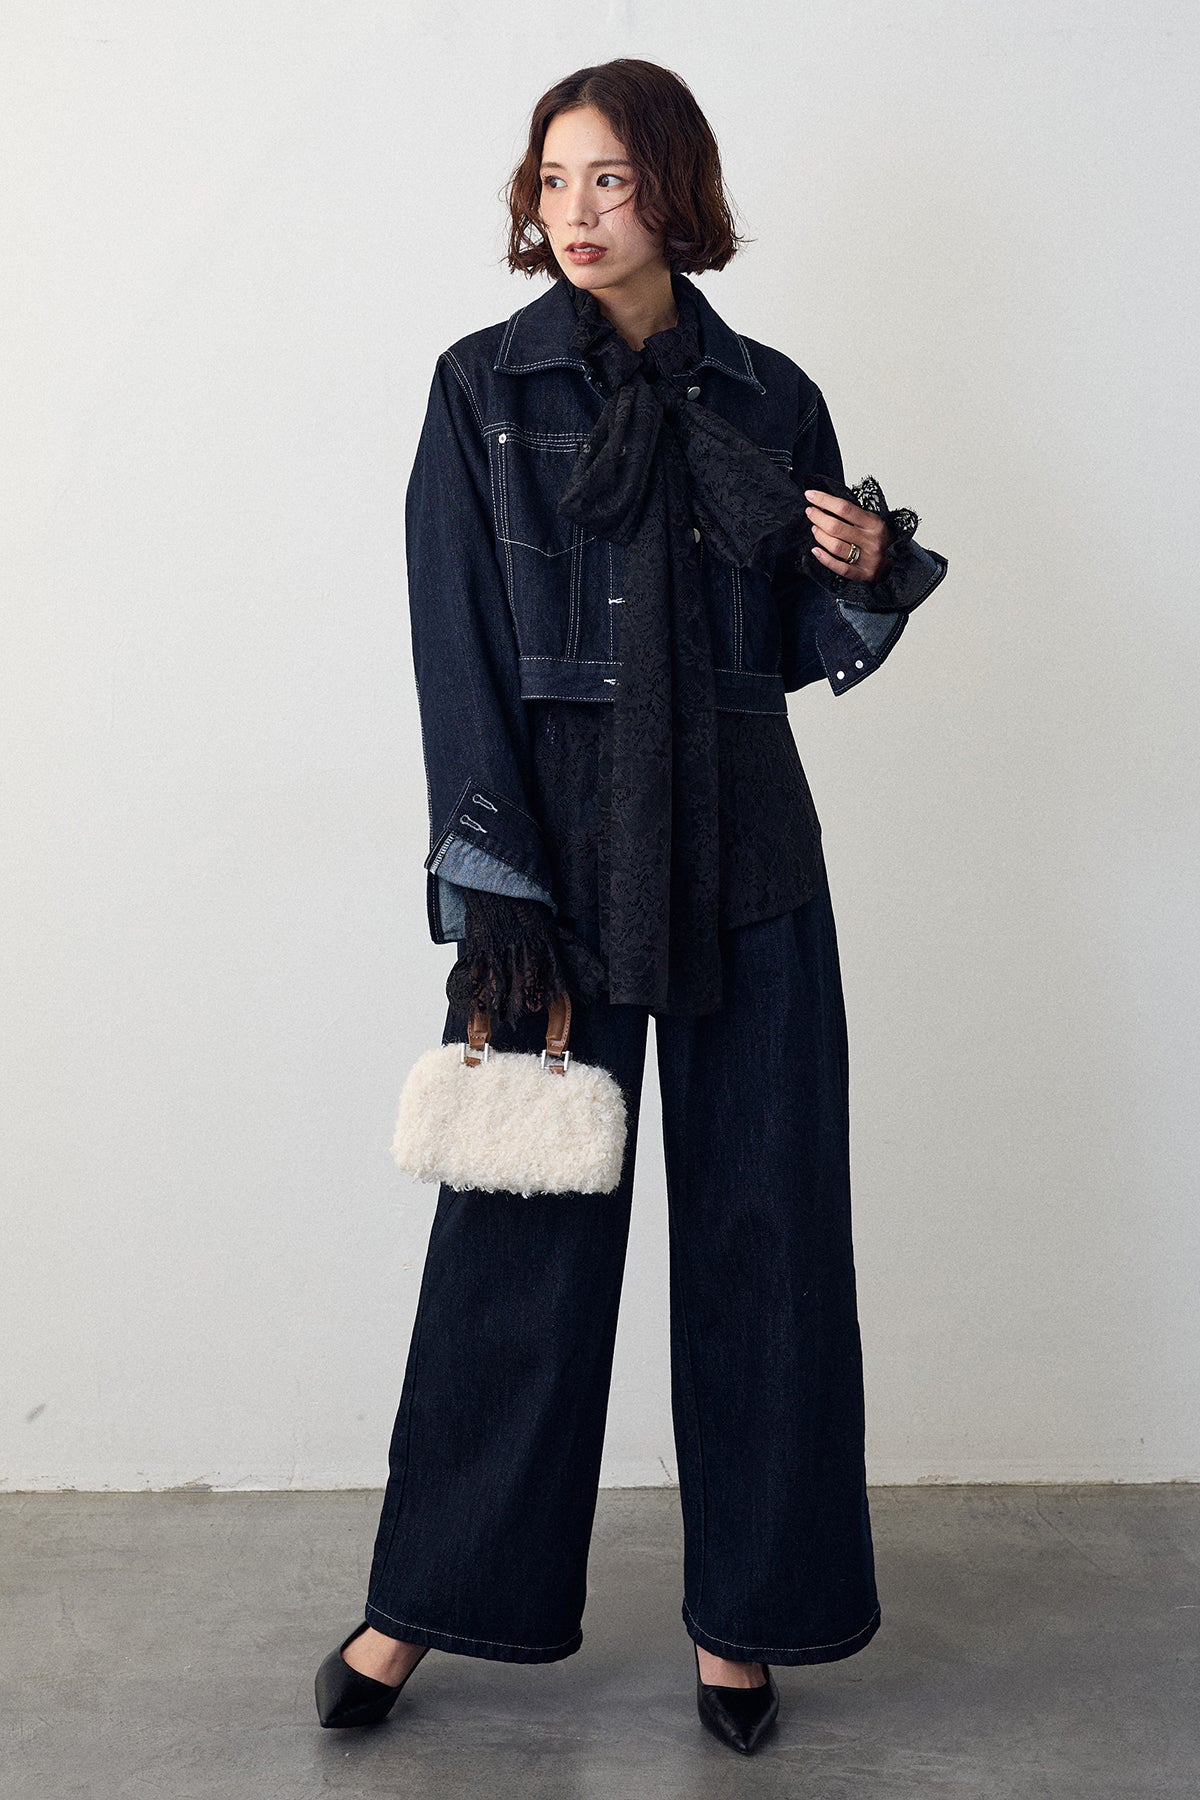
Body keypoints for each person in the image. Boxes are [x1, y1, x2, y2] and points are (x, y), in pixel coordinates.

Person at [315, 57, 948, 1757]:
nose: (576, 212)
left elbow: (801, 648)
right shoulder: (483, 387)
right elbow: (458, 646)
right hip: (557, 860)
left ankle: (746, 1620)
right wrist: (495, 890)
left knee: (767, 1238)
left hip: (748, 852)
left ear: (675, 187)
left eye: (608, 178)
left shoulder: (769, 396)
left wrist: (870, 573)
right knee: (518, 1238)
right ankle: (422, 1600)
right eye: (552, 180)